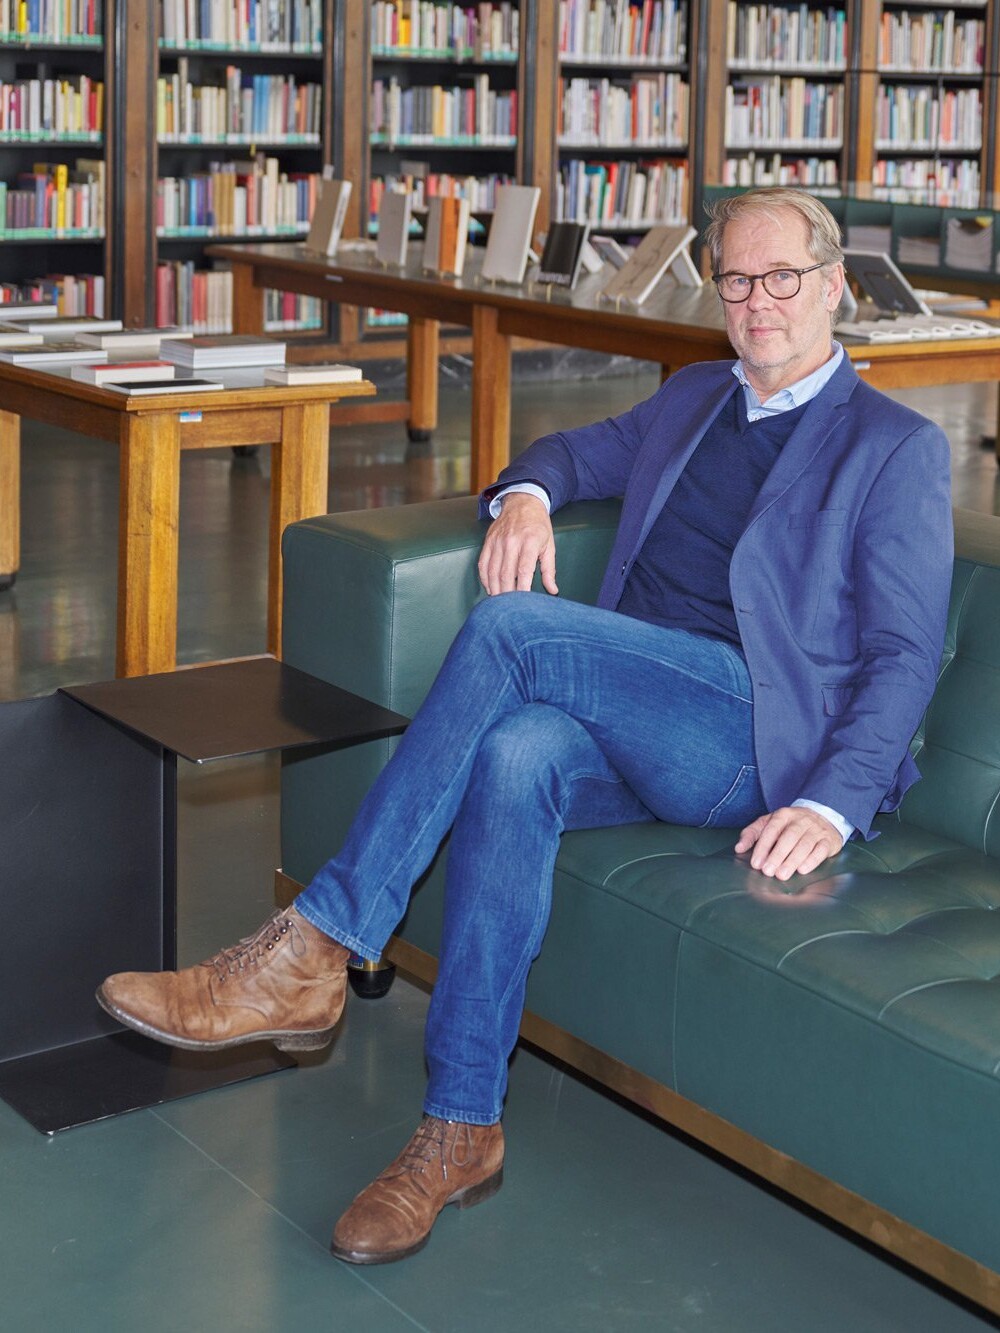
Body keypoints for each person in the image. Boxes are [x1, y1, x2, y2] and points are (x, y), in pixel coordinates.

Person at [97, 187, 953, 1266]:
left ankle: (314, 946)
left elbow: (904, 654)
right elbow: (570, 454)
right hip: (642, 713)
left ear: (833, 285)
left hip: (756, 730)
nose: (758, 301)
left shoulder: (892, 447)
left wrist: (834, 799)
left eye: (782, 277)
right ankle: (459, 1126)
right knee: (512, 755)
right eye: (736, 279)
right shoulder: (691, 396)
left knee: (514, 632)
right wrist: (524, 499)